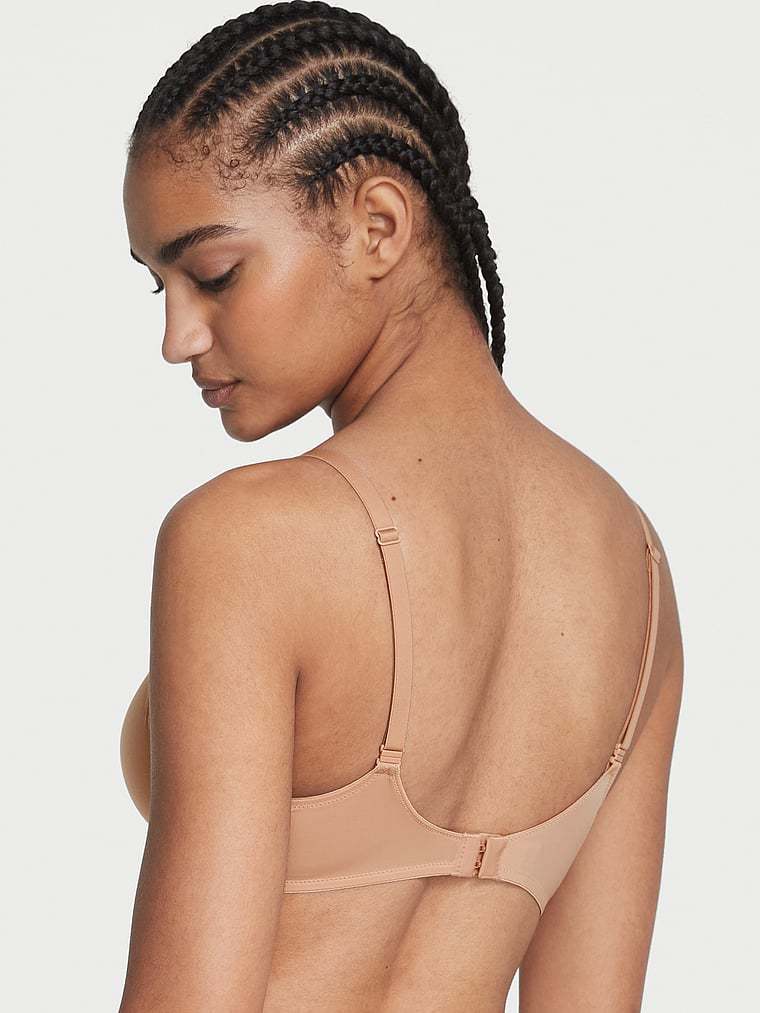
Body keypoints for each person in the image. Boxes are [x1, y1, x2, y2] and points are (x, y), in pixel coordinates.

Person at [118, 3, 683, 1009]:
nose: (176, 337)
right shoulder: (634, 568)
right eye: (158, 287)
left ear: (378, 226)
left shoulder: (248, 539)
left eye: (212, 274)